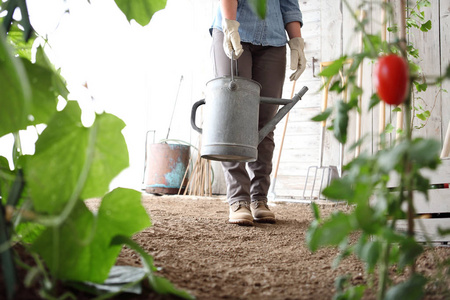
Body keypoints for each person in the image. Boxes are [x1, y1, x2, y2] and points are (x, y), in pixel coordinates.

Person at [210, 0, 306, 226]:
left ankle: (259, 198)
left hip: (273, 39)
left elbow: (289, 3)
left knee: (266, 123)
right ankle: (238, 199)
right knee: (234, 119)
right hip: (234, 28)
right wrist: (230, 24)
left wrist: (296, 41)